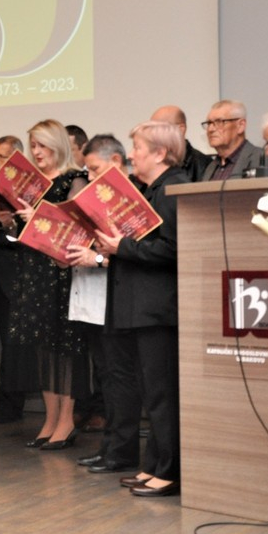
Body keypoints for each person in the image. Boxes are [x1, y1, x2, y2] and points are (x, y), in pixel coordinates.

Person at [90, 120, 188, 497]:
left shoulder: (173, 189)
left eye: (138, 149)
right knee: (151, 393)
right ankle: (153, 465)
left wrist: (123, 247)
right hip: (142, 306)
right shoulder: (150, 190)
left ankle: (170, 471)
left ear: (161, 153)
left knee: (163, 394)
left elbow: (173, 249)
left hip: (159, 308)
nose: (131, 156)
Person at [6, 120, 88, 450]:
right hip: (33, 270)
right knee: (42, 348)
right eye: (33, 145)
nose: (37, 152)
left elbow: (77, 230)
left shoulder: (74, 179)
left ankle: (66, 421)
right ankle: (50, 419)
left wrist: (37, 219)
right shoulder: (34, 183)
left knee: (64, 347)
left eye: (42, 145)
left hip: (61, 272)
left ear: (57, 145)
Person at [64, 135, 126, 465]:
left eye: (94, 169)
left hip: (115, 300)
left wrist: (97, 258)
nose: (88, 177)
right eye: (86, 171)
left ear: (116, 162)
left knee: (117, 378)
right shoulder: (91, 198)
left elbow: (129, 253)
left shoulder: (128, 200)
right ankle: (109, 447)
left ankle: (119, 449)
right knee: (104, 373)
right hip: (88, 296)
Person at [0, 136, 33, 426]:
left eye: (2, 157)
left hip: (12, 277)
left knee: (13, 347)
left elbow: (29, 235)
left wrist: (0, 237)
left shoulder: (26, 191)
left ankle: (11, 407)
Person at [201, 99, 264, 180]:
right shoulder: (211, 167)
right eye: (209, 123)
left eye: (219, 122)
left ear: (241, 125)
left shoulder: (260, 159)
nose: (210, 129)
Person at [150, 105, 212, 181]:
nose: (152, 135)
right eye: (151, 130)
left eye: (158, 128)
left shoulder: (204, 166)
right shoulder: (151, 162)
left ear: (180, 130)